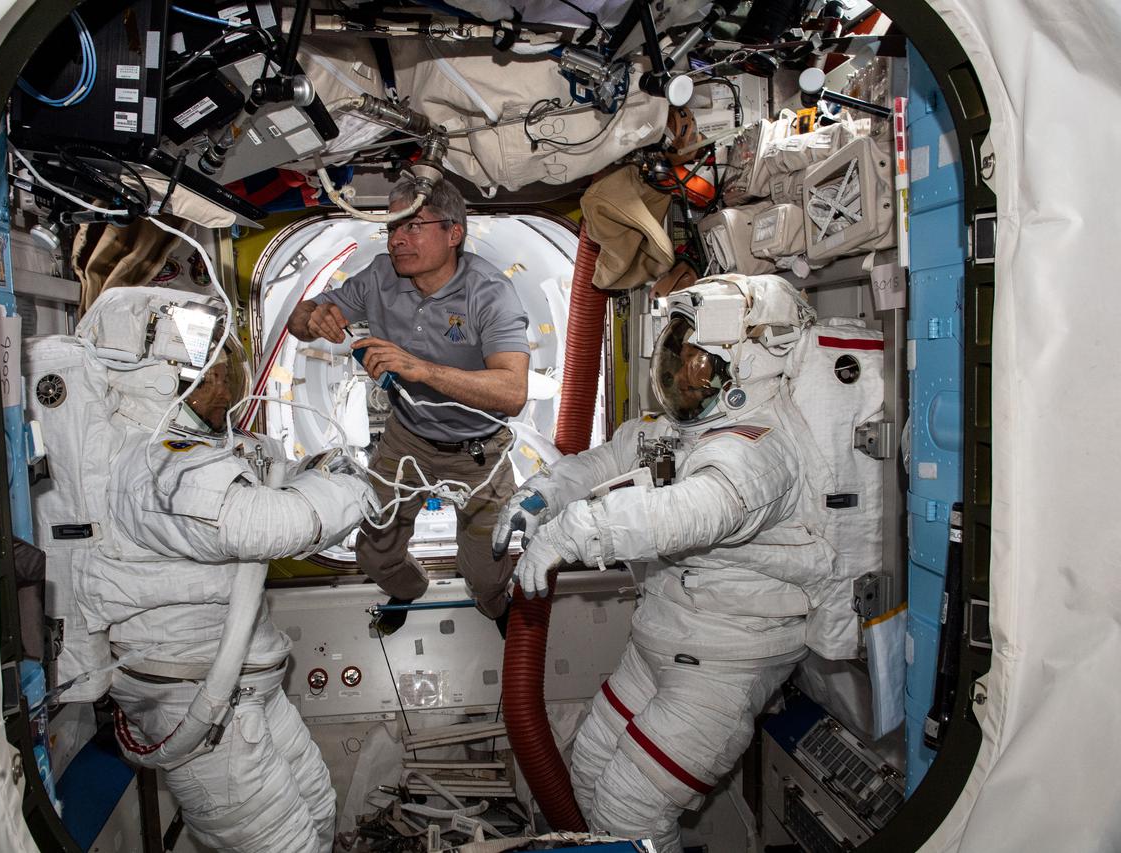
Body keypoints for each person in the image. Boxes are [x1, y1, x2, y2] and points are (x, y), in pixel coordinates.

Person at [493, 275, 857, 852]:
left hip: (726, 658)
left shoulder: (761, 448)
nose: (685, 372)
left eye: (701, 360)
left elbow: (692, 512)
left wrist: (573, 532)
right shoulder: (683, 432)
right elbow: (606, 460)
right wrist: (539, 499)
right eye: (680, 354)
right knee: (587, 765)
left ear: (751, 367)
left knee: (628, 807)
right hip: (662, 639)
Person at [34, 286, 375, 852]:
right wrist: (355, 487)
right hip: (198, 699)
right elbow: (258, 522)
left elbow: (256, 476)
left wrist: (312, 470)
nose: (226, 378)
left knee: (318, 808)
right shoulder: (147, 464)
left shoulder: (185, 453)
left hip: (239, 685)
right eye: (213, 364)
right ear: (165, 377)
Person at [287, 178, 530, 636]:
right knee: (374, 549)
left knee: (485, 566)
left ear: (454, 232)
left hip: (479, 453)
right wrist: (310, 316)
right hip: (407, 438)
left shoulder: (489, 292)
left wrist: (421, 369)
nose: (397, 239)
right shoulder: (379, 277)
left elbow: (512, 391)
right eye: (392, 227)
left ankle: (494, 604)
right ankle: (406, 589)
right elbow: (301, 319)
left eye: (413, 227)